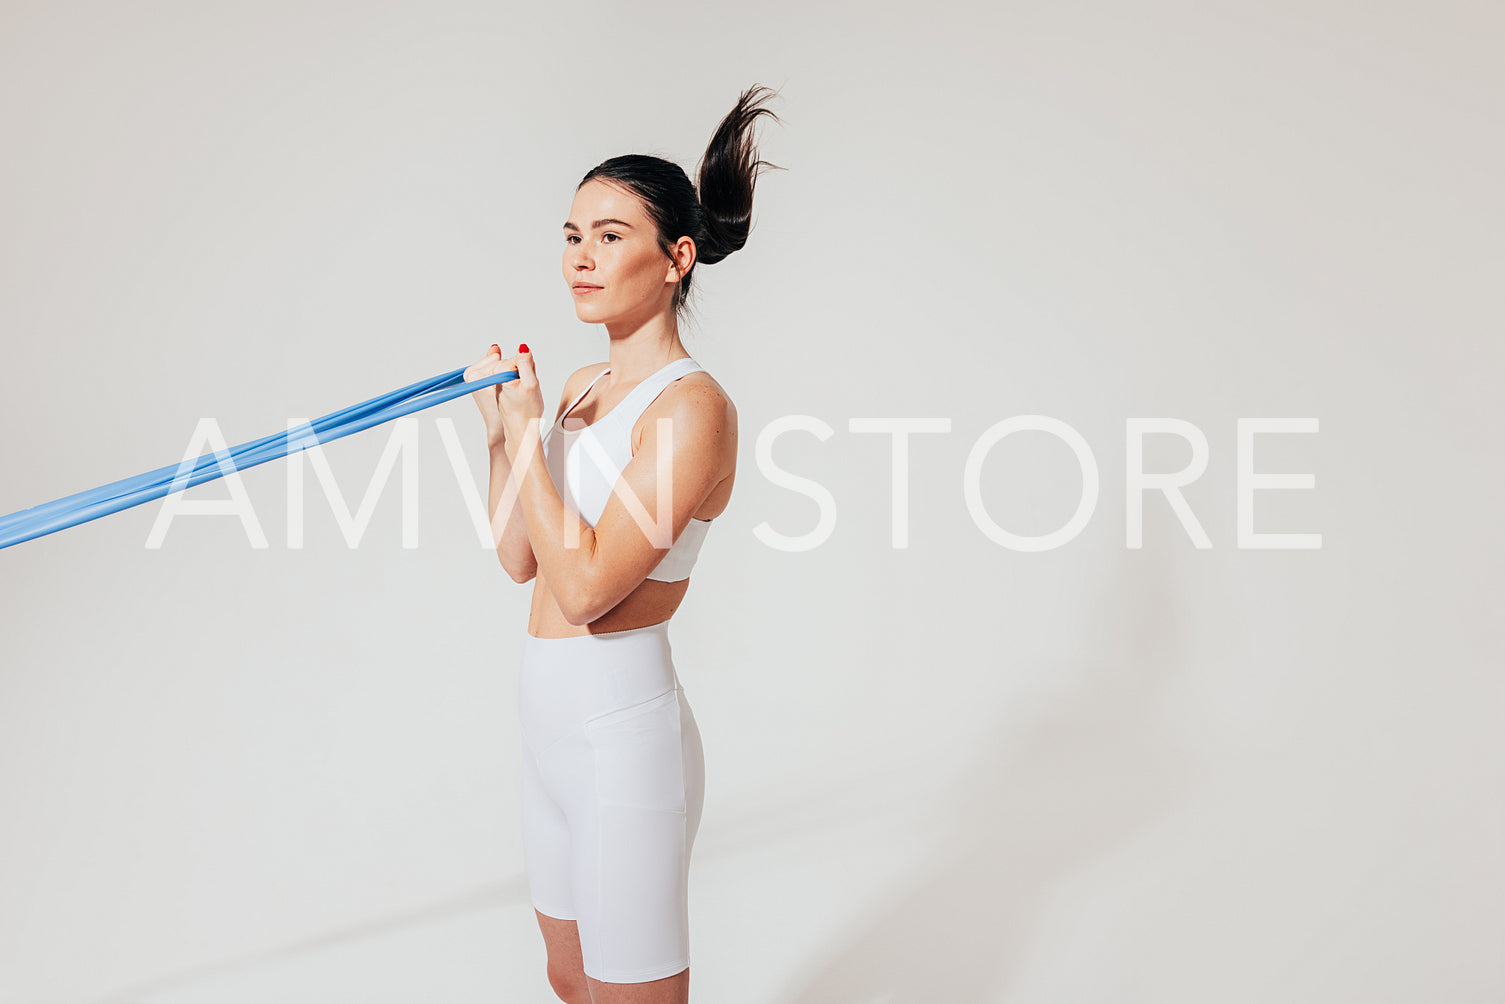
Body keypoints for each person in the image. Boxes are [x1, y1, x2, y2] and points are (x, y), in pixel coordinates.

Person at [463, 84, 782, 1004]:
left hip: (618, 736)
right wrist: (502, 433)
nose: (581, 259)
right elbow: (518, 558)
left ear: (677, 257)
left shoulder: (693, 409)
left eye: (609, 236)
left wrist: (527, 437)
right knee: (569, 977)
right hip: (546, 728)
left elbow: (589, 589)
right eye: (571, 236)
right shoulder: (577, 386)